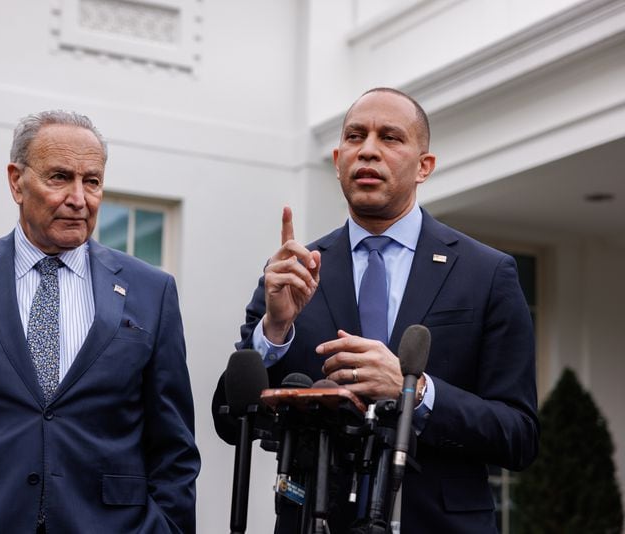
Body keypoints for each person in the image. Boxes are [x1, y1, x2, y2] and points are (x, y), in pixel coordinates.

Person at [213, 88, 538, 533]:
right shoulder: (292, 270)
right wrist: (274, 329)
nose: (368, 150)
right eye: (355, 137)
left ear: (425, 165)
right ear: (337, 158)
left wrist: (416, 393)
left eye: (390, 138)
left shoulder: (486, 273)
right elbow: (231, 421)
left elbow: (518, 436)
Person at [0, 111, 200, 533]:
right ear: (16, 181)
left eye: (92, 181)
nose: (79, 198)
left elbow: (174, 449)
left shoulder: (151, 291)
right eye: (59, 178)